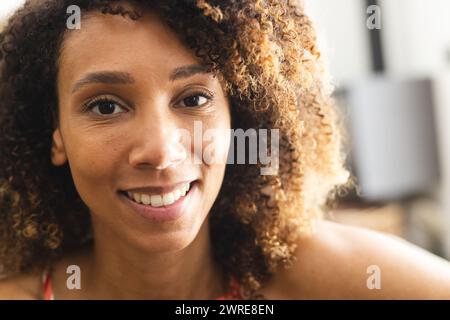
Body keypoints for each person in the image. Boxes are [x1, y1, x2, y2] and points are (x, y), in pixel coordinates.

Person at [0, 0, 449, 300]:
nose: (161, 150)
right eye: (105, 105)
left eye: (193, 99)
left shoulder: (304, 274)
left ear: (240, 119)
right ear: (55, 132)